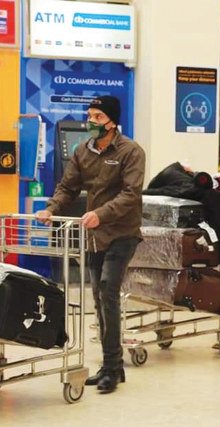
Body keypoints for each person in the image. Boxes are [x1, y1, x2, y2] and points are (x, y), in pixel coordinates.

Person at [36, 95, 146, 393]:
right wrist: (51, 209)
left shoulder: (131, 151)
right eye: (90, 116)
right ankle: (114, 366)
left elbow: (131, 194)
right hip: (95, 236)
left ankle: (111, 367)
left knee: (108, 291)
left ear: (112, 121)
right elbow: (68, 186)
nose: (91, 122)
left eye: (98, 117)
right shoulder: (82, 151)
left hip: (122, 232)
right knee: (98, 296)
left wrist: (101, 213)